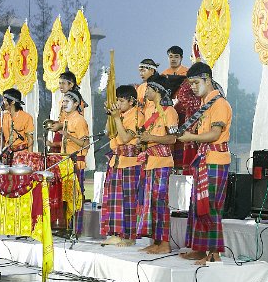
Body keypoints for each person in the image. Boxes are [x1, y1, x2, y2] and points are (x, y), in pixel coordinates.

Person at [177, 62, 232, 264]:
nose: (192, 87)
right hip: (204, 160)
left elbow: (215, 134)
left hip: (215, 160)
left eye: (195, 82)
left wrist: (190, 136)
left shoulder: (219, 104)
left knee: (210, 207)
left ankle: (213, 254)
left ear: (207, 79)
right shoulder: (205, 104)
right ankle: (200, 249)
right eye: (190, 83)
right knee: (198, 205)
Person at [136, 74, 179, 254]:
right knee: (151, 204)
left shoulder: (170, 112)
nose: (145, 92)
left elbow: (173, 138)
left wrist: (150, 138)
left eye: (148, 88)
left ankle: (164, 244)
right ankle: (155, 242)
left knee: (160, 203)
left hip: (162, 162)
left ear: (157, 90)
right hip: (150, 162)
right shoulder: (149, 111)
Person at [100, 85, 141, 247]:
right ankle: (117, 233)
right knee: (114, 200)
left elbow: (124, 139)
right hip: (116, 162)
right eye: (117, 100)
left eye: (121, 100)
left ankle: (130, 237)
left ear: (131, 101)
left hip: (130, 163)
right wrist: (112, 116)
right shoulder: (121, 115)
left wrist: (116, 118)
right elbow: (108, 132)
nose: (118, 103)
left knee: (129, 201)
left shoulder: (136, 115)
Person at [61, 89, 90, 233]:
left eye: (67, 101)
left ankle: (76, 230)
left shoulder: (79, 120)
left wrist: (69, 137)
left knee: (76, 196)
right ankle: (67, 227)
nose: (63, 104)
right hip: (65, 163)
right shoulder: (67, 119)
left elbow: (86, 144)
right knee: (67, 196)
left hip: (76, 163)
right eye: (63, 101)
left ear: (76, 104)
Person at [0, 88, 34, 160]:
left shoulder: (27, 117)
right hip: (7, 154)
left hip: (22, 155)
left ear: (12, 102)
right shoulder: (3, 117)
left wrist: (29, 157)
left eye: (5, 100)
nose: (2, 103)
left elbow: (30, 140)